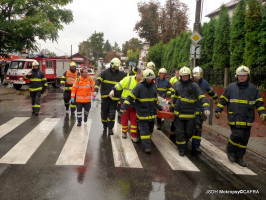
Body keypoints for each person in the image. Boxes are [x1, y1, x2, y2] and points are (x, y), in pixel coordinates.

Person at [215, 65, 266, 167]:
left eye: (244, 75)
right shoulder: (230, 87)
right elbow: (223, 100)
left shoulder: (253, 89)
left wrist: (262, 113)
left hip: (247, 118)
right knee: (237, 135)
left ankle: (239, 157)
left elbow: (259, 103)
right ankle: (230, 151)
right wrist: (218, 110)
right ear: (236, 76)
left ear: (248, 76)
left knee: (244, 139)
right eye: (240, 75)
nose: (242, 77)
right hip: (235, 117)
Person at [171, 66, 210, 157]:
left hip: (189, 115)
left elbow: (201, 97)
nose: (184, 77)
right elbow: (174, 98)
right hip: (179, 114)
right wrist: (171, 107)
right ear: (180, 76)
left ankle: (183, 142)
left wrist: (206, 107)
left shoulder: (194, 86)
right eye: (183, 76)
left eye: (186, 76)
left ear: (189, 76)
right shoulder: (177, 85)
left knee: (189, 132)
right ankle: (181, 149)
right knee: (180, 132)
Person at [120, 69, 158, 153]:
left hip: (152, 114)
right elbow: (130, 97)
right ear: (144, 78)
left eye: (151, 78)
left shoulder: (154, 86)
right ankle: (147, 147)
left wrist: (158, 107)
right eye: (148, 78)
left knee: (150, 130)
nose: (149, 80)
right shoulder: (139, 87)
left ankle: (147, 141)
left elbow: (155, 99)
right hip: (142, 114)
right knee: (144, 131)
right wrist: (124, 107)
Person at [109, 69, 143, 142]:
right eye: (142, 75)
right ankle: (124, 132)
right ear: (137, 74)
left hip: (135, 105)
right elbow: (119, 85)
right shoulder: (128, 79)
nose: (142, 77)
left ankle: (133, 136)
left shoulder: (142, 82)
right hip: (124, 104)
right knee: (124, 120)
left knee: (134, 121)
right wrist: (113, 90)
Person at [94, 57, 126, 135]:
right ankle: (105, 125)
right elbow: (98, 81)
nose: (117, 68)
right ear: (112, 65)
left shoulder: (122, 74)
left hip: (115, 98)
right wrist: (95, 91)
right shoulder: (104, 73)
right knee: (104, 113)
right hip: (105, 97)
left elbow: (128, 80)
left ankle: (110, 128)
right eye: (116, 66)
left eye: (118, 66)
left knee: (112, 114)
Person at [191, 66, 218, 154]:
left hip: (199, 109)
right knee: (187, 128)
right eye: (195, 77)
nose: (197, 79)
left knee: (198, 128)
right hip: (188, 109)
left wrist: (216, 97)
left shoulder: (204, 83)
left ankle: (196, 146)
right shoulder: (188, 82)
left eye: (198, 77)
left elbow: (211, 92)